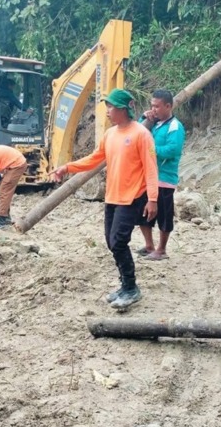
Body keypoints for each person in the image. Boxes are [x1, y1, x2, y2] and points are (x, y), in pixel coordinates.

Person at [50, 88, 158, 309]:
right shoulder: (110, 135)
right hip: (112, 196)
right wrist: (67, 167)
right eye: (107, 107)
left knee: (118, 241)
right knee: (111, 241)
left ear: (122, 109)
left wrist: (153, 199)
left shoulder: (141, 134)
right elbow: (94, 159)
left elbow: (151, 168)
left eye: (110, 107)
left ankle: (131, 288)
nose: (107, 111)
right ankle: (124, 285)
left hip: (132, 197)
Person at [138, 89, 185, 260]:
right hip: (147, 177)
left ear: (168, 106)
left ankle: (162, 249)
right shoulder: (154, 123)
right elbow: (137, 132)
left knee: (164, 215)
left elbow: (172, 150)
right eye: (152, 106)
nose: (153, 109)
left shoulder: (175, 126)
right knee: (143, 213)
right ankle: (149, 245)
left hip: (164, 179)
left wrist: (150, 150)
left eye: (157, 106)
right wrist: (143, 119)